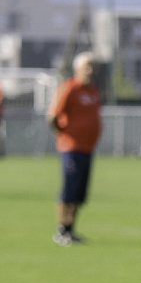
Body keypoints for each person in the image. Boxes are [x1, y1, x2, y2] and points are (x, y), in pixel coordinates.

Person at [47, 53, 102, 246]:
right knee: (69, 190)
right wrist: (61, 133)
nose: (90, 68)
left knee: (80, 193)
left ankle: (71, 229)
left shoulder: (94, 90)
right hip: (71, 147)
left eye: (92, 65)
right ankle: (61, 230)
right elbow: (53, 114)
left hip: (88, 148)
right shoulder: (69, 88)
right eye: (87, 65)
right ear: (77, 68)